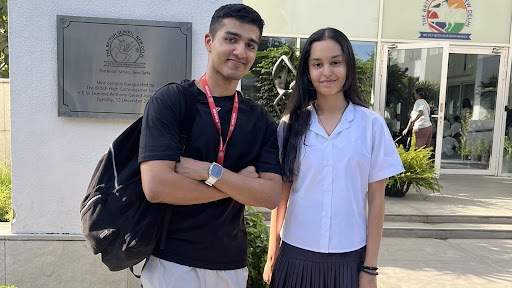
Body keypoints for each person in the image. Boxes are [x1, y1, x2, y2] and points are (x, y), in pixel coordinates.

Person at [138, 4, 283, 288]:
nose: (240, 51)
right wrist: (238, 184)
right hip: (171, 263)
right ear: (209, 42)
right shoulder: (173, 101)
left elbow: (269, 196)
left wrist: (210, 172)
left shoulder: (259, 120)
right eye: (231, 39)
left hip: (229, 267)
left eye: (250, 44)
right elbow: (156, 187)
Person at [263, 27, 404, 288]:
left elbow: (376, 201)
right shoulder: (291, 124)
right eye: (317, 64)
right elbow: (282, 194)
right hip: (295, 256)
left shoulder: (371, 125)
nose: (327, 72)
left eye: (335, 62)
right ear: (307, 71)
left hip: (349, 260)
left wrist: (370, 269)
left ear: (348, 66)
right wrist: (273, 254)